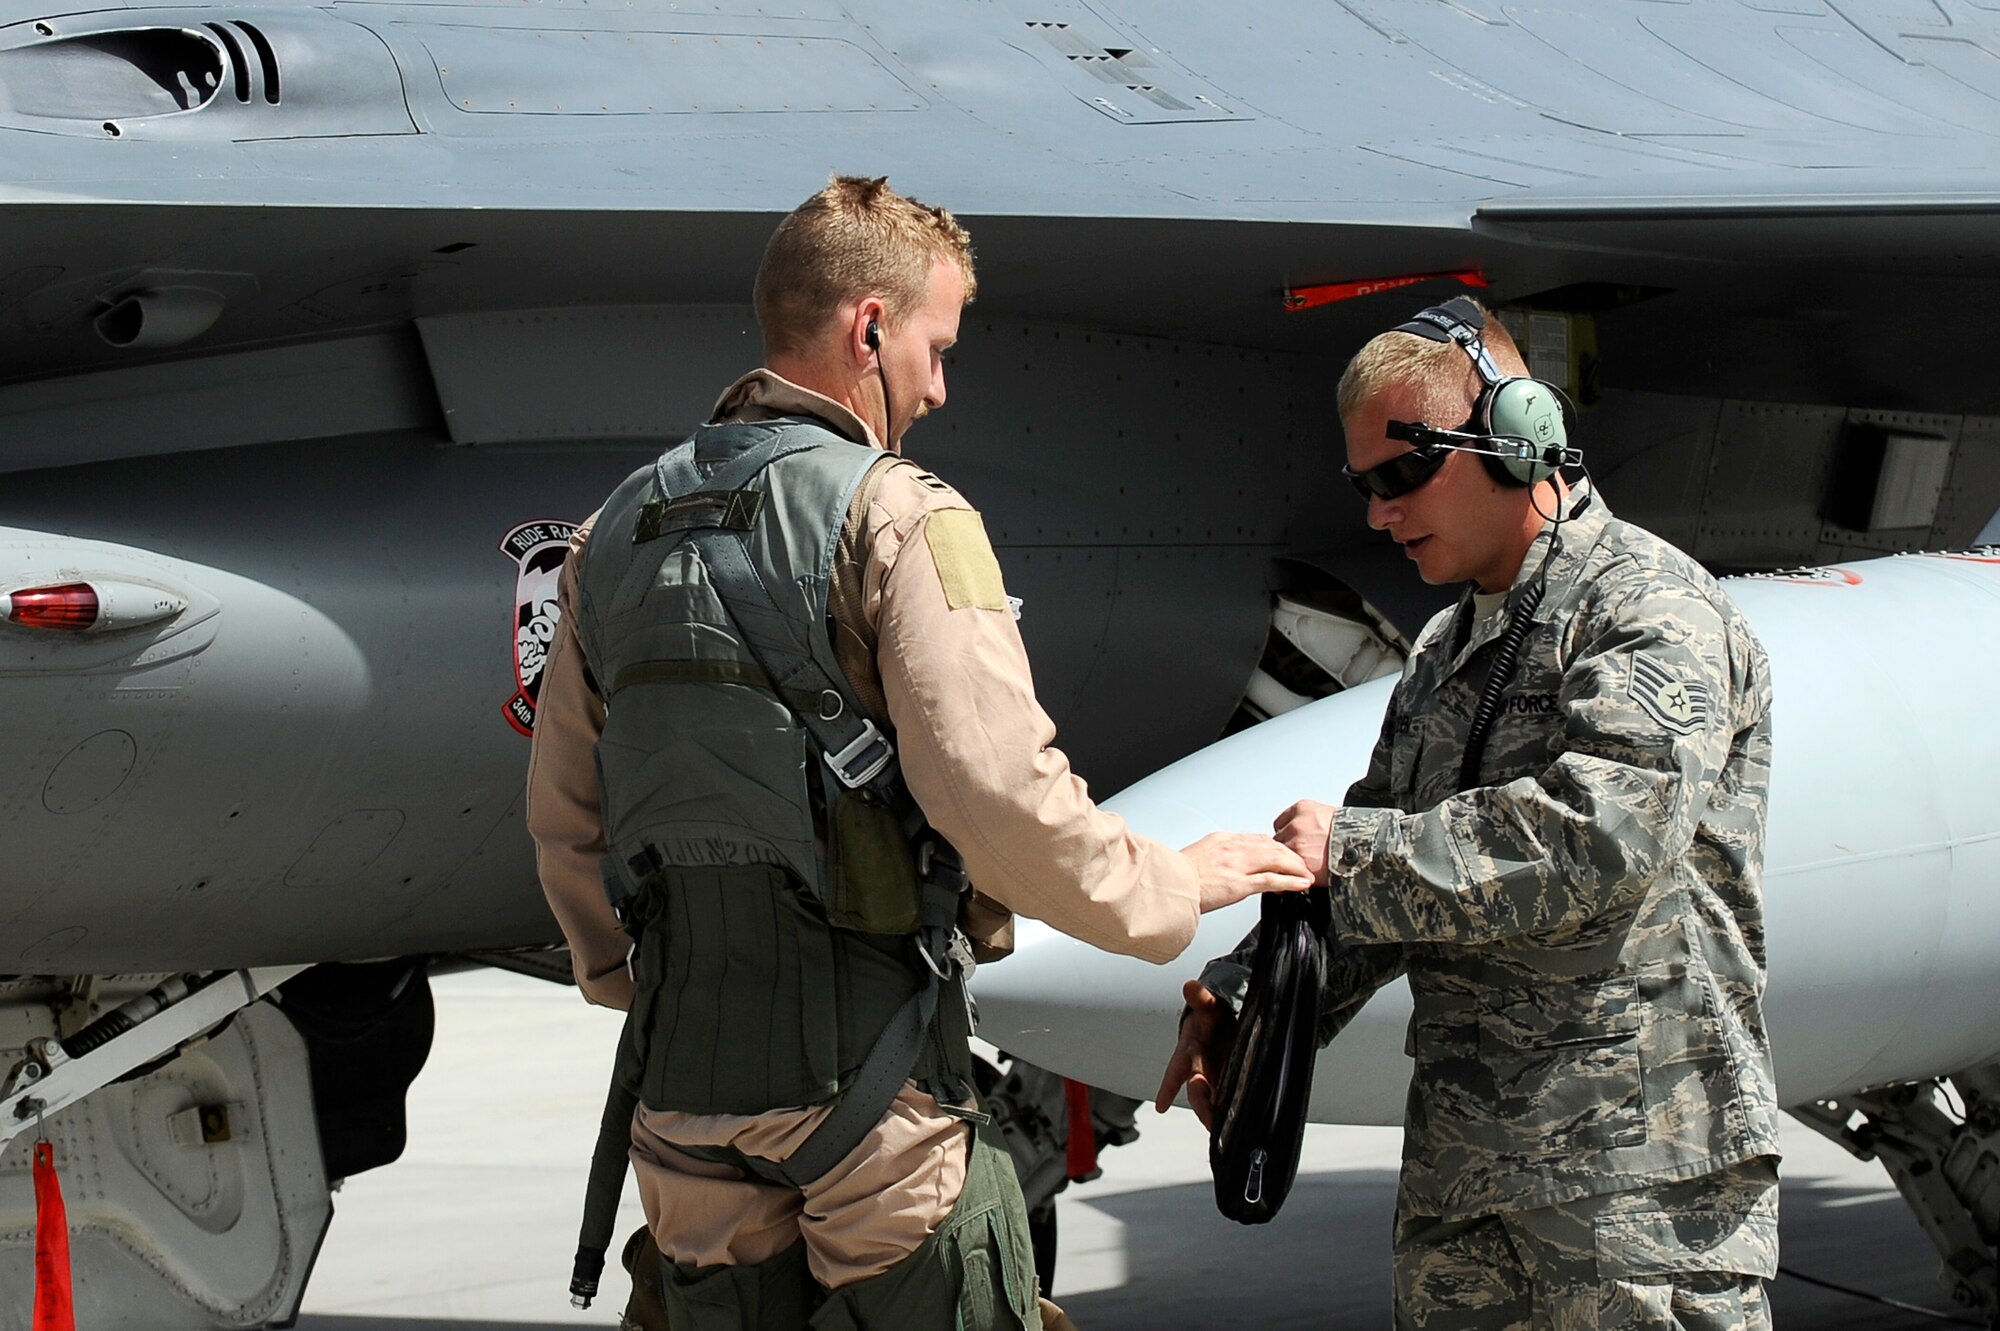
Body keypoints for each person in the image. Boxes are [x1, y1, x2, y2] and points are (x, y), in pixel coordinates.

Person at [526, 175, 1311, 1331]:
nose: (937, 386)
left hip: (682, 1097)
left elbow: (567, 816)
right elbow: (994, 793)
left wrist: (638, 989)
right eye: (934, 348)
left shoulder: (610, 533)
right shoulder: (899, 515)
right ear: (869, 329)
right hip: (870, 1095)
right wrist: (1168, 886)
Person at [1157, 297, 1783, 1330]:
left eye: (1403, 474)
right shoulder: (1445, 651)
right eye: (1365, 485)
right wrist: (1250, 995)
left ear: (1514, 437)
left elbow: (1605, 834)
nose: (1379, 513)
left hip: (1634, 1191)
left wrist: (1355, 852)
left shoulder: (1647, 608)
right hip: (1468, 1194)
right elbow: (1375, 895)